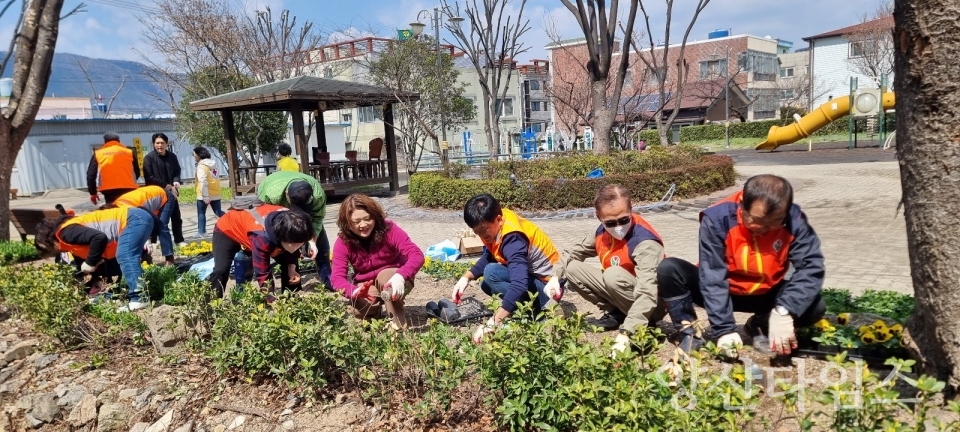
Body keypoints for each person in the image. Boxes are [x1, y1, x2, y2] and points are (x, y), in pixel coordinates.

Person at [656, 174, 826, 358]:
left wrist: (785, 309)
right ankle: (691, 334)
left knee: (814, 306)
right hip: (724, 291)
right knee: (669, 269)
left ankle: (761, 323)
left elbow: (811, 267)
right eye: (758, 220)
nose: (765, 228)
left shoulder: (794, 220)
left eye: (776, 221)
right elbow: (713, 275)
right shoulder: (717, 219)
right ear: (743, 204)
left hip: (766, 293)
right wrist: (724, 329)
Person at [552, 184, 666, 354]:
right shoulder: (602, 232)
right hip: (624, 293)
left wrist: (626, 333)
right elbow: (574, 252)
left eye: (624, 219)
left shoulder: (644, 243)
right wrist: (555, 277)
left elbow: (648, 292)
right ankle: (616, 314)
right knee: (572, 268)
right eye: (611, 222)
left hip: (652, 304)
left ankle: (644, 327)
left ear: (631, 209)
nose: (618, 227)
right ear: (599, 217)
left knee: (613, 275)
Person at [451, 193, 561, 343]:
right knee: (486, 283)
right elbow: (491, 255)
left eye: (484, 230)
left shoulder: (513, 239)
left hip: (549, 288)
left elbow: (519, 285)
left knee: (491, 273)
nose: (482, 236)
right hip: (536, 279)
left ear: (498, 219)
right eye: (477, 232)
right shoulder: (499, 221)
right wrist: (466, 277)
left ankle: (537, 312)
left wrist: (493, 322)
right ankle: (521, 310)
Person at [34, 206, 155, 312]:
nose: (55, 252)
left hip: (133, 219)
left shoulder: (66, 232)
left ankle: (139, 298)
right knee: (110, 260)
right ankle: (112, 295)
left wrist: (90, 262)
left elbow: (99, 238)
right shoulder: (71, 243)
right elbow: (84, 272)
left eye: (51, 250)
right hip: (135, 219)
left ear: (48, 240)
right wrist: (79, 296)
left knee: (125, 255)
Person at [331, 194, 424, 330]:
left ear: (375, 216)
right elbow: (337, 278)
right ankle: (375, 311)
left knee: (386, 277)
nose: (363, 225)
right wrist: (354, 291)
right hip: (368, 284)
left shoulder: (389, 229)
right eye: (356, 222)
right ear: (347, 223)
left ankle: (397, 323)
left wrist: (401, 276)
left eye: (367, 219)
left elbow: (417, 255)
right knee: (359, 310)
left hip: (395, 279)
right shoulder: (343, 242)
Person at [209, 205, 313, 299]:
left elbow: (291, 251)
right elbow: (263, 273)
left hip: (250, 228)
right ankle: (210, 307)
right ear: (282, 238)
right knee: (221, 270)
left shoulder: (296, 223)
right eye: (293, 243)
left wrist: (292, 268)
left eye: (300, 243)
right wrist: (271, 299)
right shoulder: (262, 237)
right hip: (228, 229)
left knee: (290, 267)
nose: (296, 247)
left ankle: (291, 301)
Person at [256, 171, 331, 288]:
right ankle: (291, 287)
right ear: (287, 194)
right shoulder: (271, 195)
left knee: (322, 243)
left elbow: (317, 217)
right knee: (287, 244)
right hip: (274, 201)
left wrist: (312, 240)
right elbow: (264, 217)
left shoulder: (318, 195)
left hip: (304, 207)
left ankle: (328, 279)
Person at [114, 185, 177, 266]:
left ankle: (169, 259)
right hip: (148, 198)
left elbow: (154, 220)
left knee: (162, 226)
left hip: (165, 196)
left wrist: (148, 240)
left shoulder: (133, 209)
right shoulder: (116, 209)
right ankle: (146, 258)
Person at [142, 132, 185, 245]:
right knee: (156, 217)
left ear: (167, 144)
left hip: (172, 192)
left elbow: (177, 170)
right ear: (153, 144)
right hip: (156, 194)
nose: (159, 145)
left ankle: (179, 240)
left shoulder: (172, 157)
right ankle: (153, 240)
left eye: (162, 143)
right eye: (157, 143)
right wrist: (165, 185)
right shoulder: (148, 158)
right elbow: (149, 177)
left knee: (176, 217)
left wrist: (176, 181)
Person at [86, 132, 140, 205]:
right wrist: (128, 180)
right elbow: (137, 171)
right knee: (128, 210)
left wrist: (93, 193)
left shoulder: (98, 153)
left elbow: (91, 175)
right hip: (128, 188)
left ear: (105, 141)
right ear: (119, 141)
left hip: (108, 190)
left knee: (113, 211)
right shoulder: (128, 152)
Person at [193, 146, 224, 237]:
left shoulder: (201, 167)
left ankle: (202, 232)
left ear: (199, 155)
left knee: (201, 212)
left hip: (203, 194)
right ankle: (231, 221)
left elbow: (203, 181)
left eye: (194, 154)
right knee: (218, 212)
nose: (194, 156)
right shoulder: (213, 165)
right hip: (216, 192)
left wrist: (205, 195)